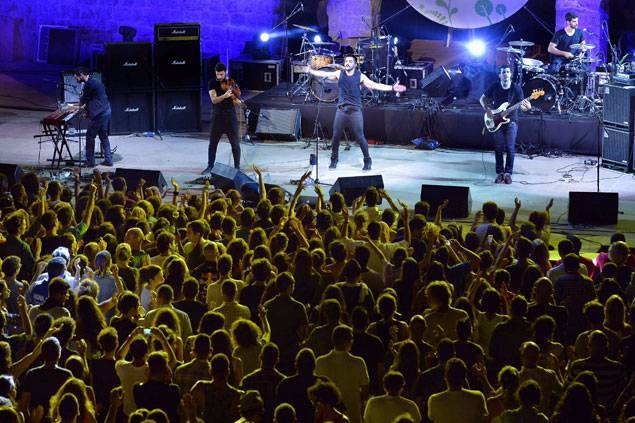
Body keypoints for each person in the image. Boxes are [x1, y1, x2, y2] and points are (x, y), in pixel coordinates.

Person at [305, 55, 405, 171]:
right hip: (341, 110)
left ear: (355, 64)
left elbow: (375, 85)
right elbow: (324, 74)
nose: (347, 63)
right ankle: (334, 158)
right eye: (346, 61)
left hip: (355, 111)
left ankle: (367, 160)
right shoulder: (339, 74)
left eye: (350, 61)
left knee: (360, 137)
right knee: (336, 136)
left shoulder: (360, 76)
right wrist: (311, 71)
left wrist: (392, 88)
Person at [480, 65, 531, 184]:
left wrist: (528, 107)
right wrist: (487, 110)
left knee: (510, 147)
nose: (506, 74)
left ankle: (508, 173)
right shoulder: (495, 86)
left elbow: (522, 107)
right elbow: (482, 99)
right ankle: (500, 173)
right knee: (498, 147)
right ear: (500, 75)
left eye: (508, 72)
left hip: (511, 121)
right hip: (496, 119)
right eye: (503, 72)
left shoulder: (516, 88)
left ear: (510, 74)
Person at [202, 62, 241, 174]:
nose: (219, 76)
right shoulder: (212, 83)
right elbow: (214, 100)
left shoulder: (231, 82)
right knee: (213, 144)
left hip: (230, 117)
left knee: (235, 144)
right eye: (218, 74)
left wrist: (237, 100)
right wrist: (224, 95)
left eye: (222, 74)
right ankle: (210, 166)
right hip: (217, 117)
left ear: (226, 72)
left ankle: (237, 167)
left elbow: (237, 97)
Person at [427, 358, 488, 423]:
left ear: (445, 377)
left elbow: (432, 418)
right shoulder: (478, 397)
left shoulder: (434, 399)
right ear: (464, 378)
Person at [73, 67, 113, 167]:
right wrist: (88, 112)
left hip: (100, 113)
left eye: (76, 77)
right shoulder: (93, 81)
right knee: (103, 135)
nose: (76, 79)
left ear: (81, 74)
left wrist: (73, 107)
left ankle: (90, 162)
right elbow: (93, 99)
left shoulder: (89, 84)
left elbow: (84, 101)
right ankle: (108, 160)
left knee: (90, 136)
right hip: (106, 110)